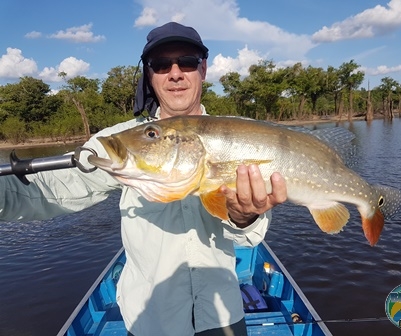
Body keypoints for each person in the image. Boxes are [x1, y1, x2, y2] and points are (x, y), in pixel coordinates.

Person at [0, 22, 287, 335]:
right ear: (149, 75)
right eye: (161, 65)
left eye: (187, 62)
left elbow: (247, 239)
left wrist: (244, 217)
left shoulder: (243, 137)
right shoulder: (121, 142)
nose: (174, 73)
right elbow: (51, 189)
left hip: (221, 314)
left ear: (203, 68)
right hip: (153, 321)